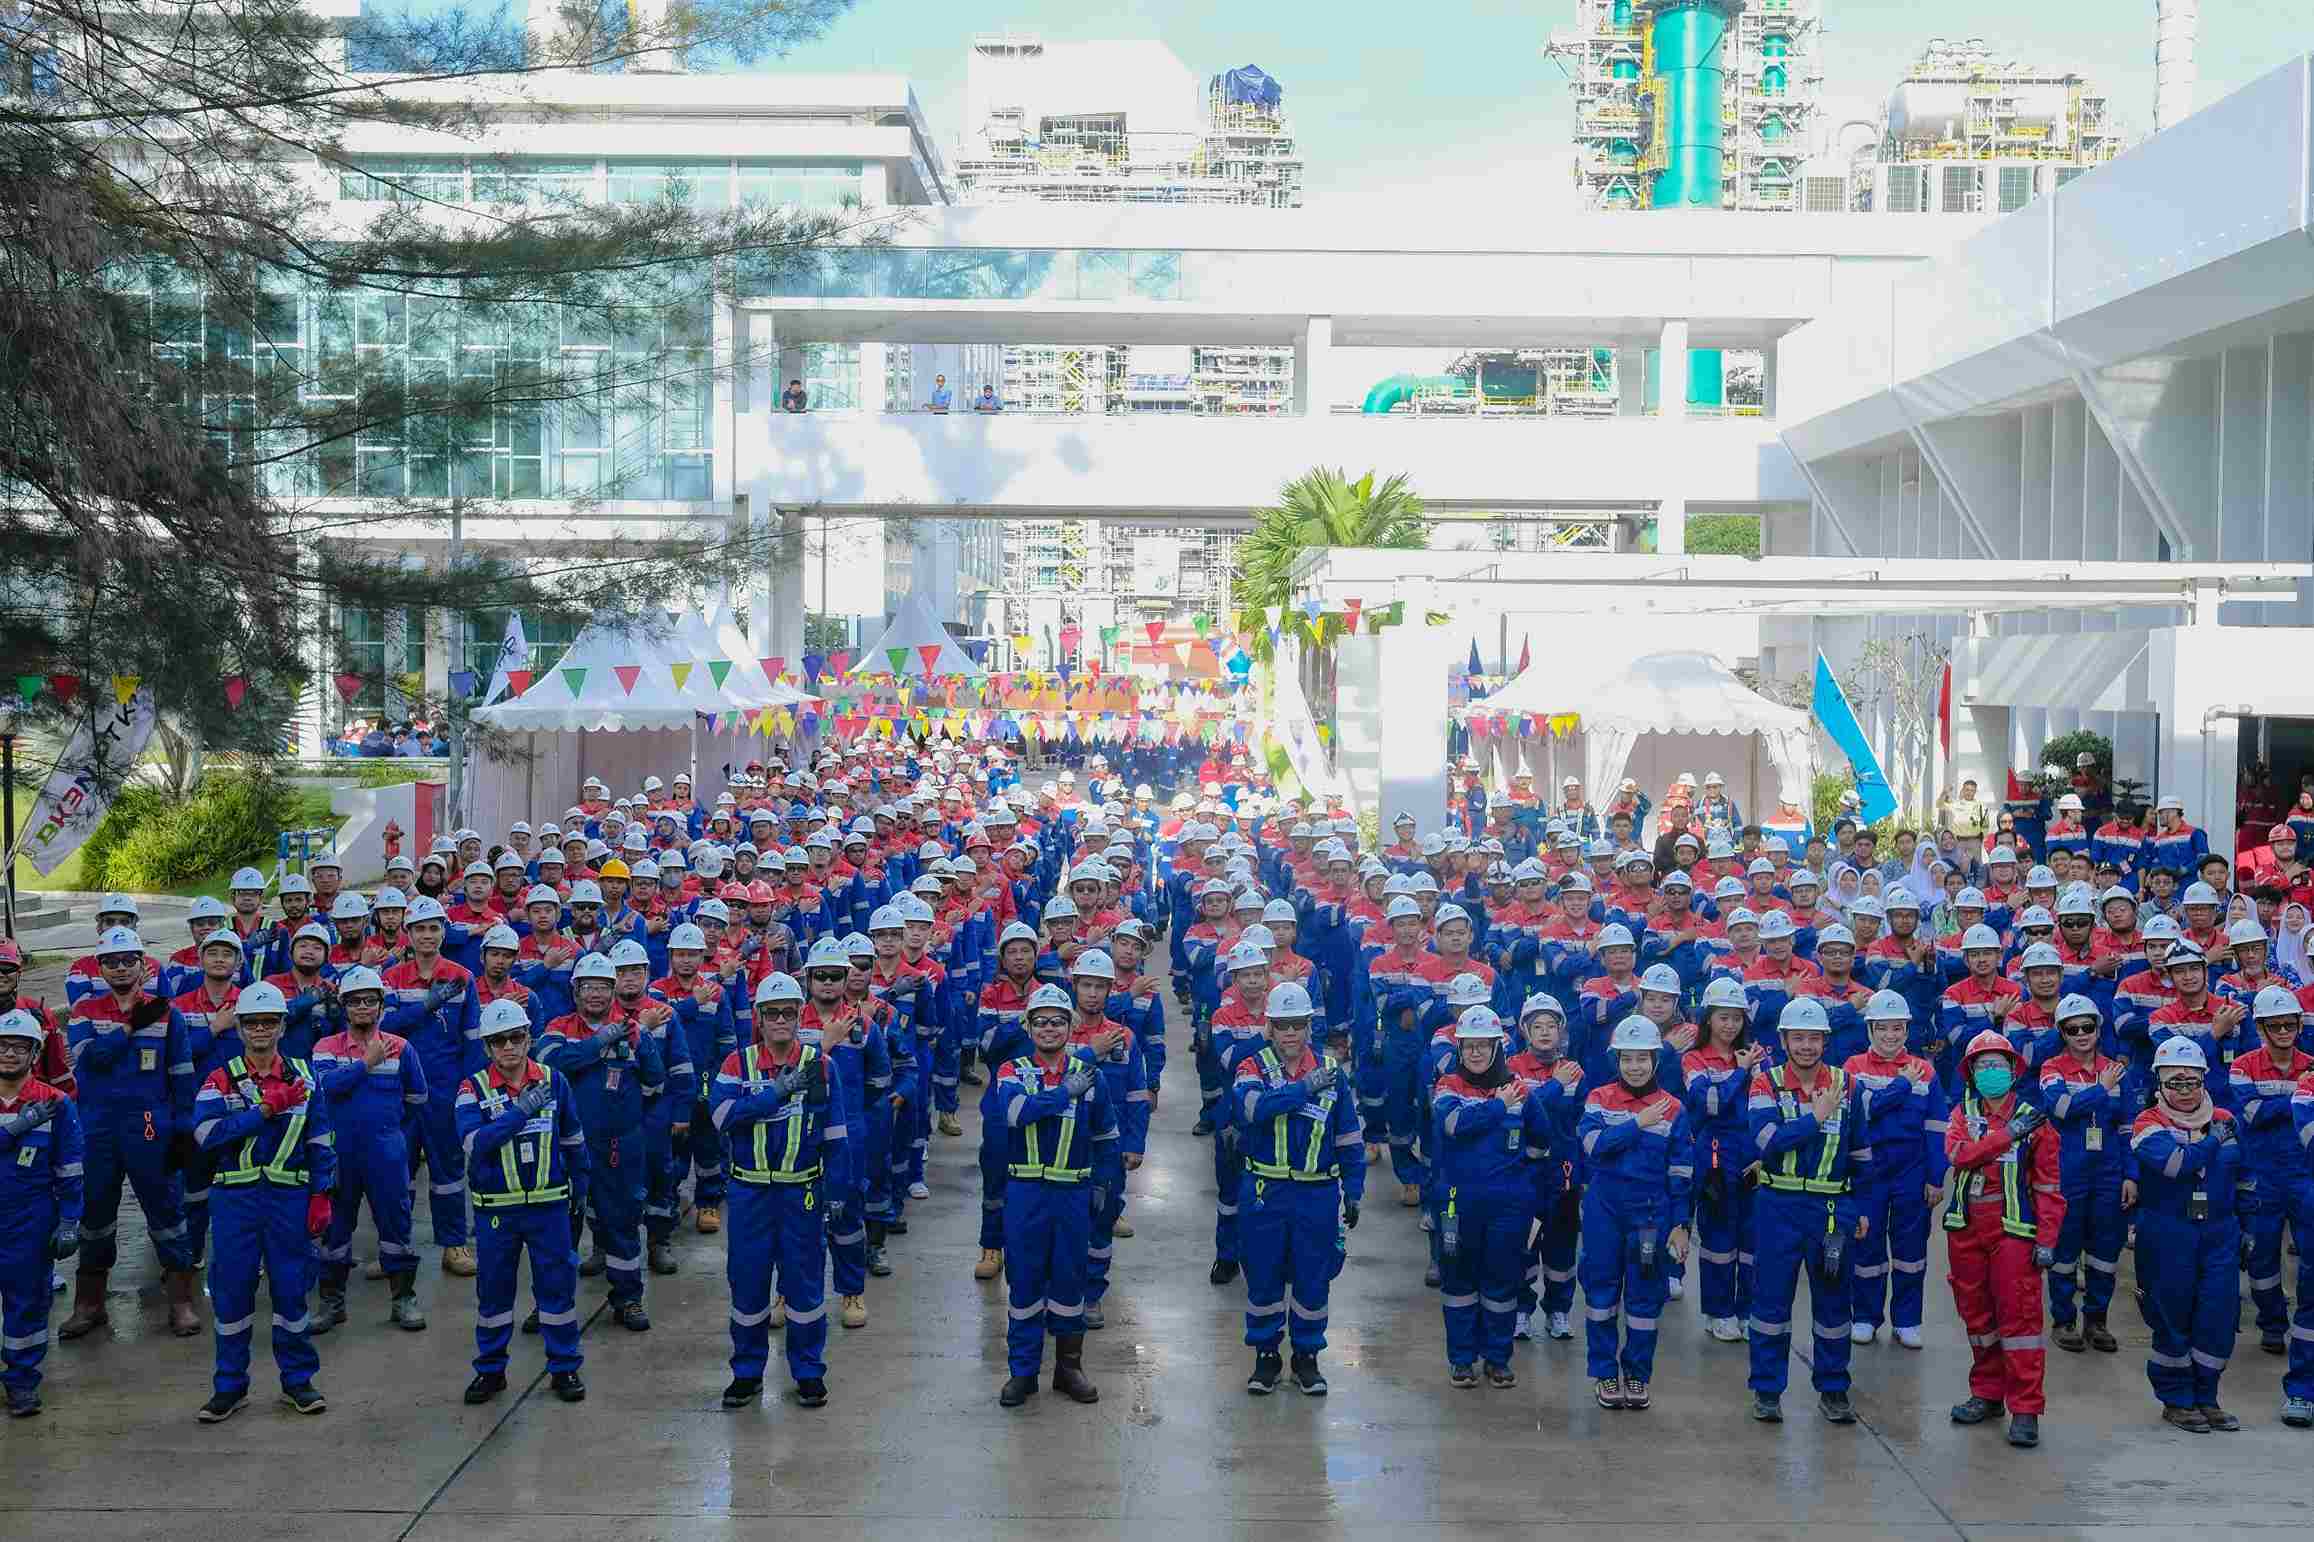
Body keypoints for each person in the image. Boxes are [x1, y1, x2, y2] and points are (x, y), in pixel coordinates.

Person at [190, 981, 334, 1421]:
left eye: (268, 1022)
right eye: (251, 1022)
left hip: (289, 1198)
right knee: (233, 1291)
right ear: (240, 1028)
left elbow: (322, 1139)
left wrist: (321, 1195)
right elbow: (204, 1136)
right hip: (235, 1198)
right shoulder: (221, 1078)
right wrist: (263, 1111)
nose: (260, 1030)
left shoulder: (306, 1078)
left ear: (282, 1026)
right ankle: (229, 1387)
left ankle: (297, 1381)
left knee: (292, 1289)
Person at [62, 925, 201, 1340]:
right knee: (96, 1214)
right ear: (100, 968)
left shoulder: (168, 1013)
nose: (121, 968)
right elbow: (90, 1062)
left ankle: (180, 1301)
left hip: (149, 1126)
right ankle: (90, 1304)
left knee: (166, 1211)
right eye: (112, 962)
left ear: (144, 965)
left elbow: (182, 1077)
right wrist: (127, 1028)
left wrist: (182, 1131)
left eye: (129, 961)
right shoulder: (86, 1011)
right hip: (98, 1127)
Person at [712, 972, 840, 1410]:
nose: (781, 1020)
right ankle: (746, 1373)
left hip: (801, 1196)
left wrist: (837, 1194)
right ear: (760, 1020)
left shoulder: (822, 1065)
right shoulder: (736, 1065)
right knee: (747, 1286)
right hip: (750, 1197)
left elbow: (834, 1134)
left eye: (789, 1012)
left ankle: (808, 1372)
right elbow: (723, 1117)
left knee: (803, 1289)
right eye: (773, 1013)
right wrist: (778, 1091)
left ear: (799, 1014)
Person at [990, 983, 1121, 1408]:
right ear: (1028, 1026)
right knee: (1024, 1282)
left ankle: (1069, 1369)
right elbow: (1015, 1113)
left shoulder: (1093, 1079)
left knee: (1069, 1281)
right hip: (1026, 1193)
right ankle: (1023, 1373)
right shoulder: (1012, 1072)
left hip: (1073, 1195)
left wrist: (1104, 1185)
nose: (1049, 1029)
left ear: (1071, 1027)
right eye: (1041, 1021)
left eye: (1058, 1022)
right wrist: (1066, 1092)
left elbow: (1106, 1137)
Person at [1233, 980, 1364, 1397]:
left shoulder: (1332, 1071)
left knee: (1313, 1278)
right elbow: (1251, 1109)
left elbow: (1347, 1136)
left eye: (1298, 1025)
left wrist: (1355, 1189)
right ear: (1269, 1026)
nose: (1290, 1033)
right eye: (1283, 1025)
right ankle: (1266, 1357)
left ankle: (1307, 1357)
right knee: (1263, 1276)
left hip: (1317, 1196)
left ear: (1309, 1026)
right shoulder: (1251, 1066)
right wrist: (1302, 1089)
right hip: (1264, 1192)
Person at [457, 999, 589, 1406]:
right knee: (494, 1295)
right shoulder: (471, 1089)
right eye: (499, 1041)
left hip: (549, 1208)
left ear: (529, 1038)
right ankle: (491, 1370)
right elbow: (474, 1144)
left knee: (557, 1289)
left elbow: (572, 1139)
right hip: (496, 1212)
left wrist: (581, 1189)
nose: (509, 1047)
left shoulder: (554, 1081)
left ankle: (564, 1366)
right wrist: (518, 1113)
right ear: (488, 1047)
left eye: (516, 1038)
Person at [1941, 1028, 2065, 1449]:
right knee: (1977, 1319)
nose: (1991, 1071)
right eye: (1983, 1064)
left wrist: (2047, 1239)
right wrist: (2008, 1134)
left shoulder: (2036, 1118)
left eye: (1998, 1063)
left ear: (2013, 1069)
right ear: (1971, 1073)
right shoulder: (1962, 1114)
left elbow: (2049, 1187)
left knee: (2020, 1322)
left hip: (2013, 1230)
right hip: (1966, 1227)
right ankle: (1988, 1393)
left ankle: (2026, 1409)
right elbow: (1960, 1156)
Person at [1745, 995, 1863, 1425]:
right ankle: (1767, 1390)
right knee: (1771, 1302)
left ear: (1826, 1041)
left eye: (1814, 1038)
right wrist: (1814, 1118)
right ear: (1783, 1040)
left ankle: (1834, 1388)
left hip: (1831, 1210)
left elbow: (1862, 1152)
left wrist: (1859, 1208)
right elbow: (1766, 1142)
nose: (1807, 1046)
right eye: (1799, 1038)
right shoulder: (1765, 1084)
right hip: (1778, 1206)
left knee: (1834, 1304)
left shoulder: (1848, 1086)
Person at [2129, 1037, 2248, 1432]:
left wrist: (2246, 1227)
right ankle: (2177, 1400)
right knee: (2171, 1313)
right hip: (2167, 1232)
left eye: (2191, 1082)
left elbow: (2244, 1176)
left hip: (2220, 1231)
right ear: (2159, 1085)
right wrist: (2213, 1139)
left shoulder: (2227, 1118)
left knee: (2218, 1313)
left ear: (2204, 1081)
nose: (2184, 1090)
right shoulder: (2148, 1123)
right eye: (2174, 1082)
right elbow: (2176, 1164)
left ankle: (2206, 1396)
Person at [1578, 1017, 1693, 1410]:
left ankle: (1637, 1375)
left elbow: (1681, 1171)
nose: (1635, 1067)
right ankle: (1605, 1372)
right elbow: (1594, 1145)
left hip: (1651, 1214)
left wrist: (1681, 1224)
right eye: (1628, 1059)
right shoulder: (1598, 1098)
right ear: (1617, 1060)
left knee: (1645, 1299)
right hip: (1604, 1209)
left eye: (1642, 1058)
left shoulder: (1675, 1109)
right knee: (1601, 1292)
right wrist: (1637, 1123)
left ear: (1655, 1060)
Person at [541, 952, 659, 1332]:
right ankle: (551, 1303)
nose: (595, 994)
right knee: (560, 1229)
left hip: (617, 1146)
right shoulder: (559, 1027)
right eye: (588, 986)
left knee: (621, 1222)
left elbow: (654, 1083)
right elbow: (550, 1064)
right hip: (564, 1147)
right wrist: (600, 1043)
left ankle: (627, 1297)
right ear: (574, 990)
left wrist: (644, 1042)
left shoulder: (632, 1031)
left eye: (603, 986)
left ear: (613, 991)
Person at [311, 966, 429, 1332]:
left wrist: (390, 1134)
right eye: (355, 1001)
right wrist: (366, 1064)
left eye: (370, 1000)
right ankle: (332, 1304)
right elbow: (324, 1089)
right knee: (334, 1230)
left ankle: (403, 1300)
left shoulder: (403, 1048)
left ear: (381, 1006)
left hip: (386, 1152)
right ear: (343, 1006)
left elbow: (417, 1099)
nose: (363, 1007)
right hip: (339, 1154)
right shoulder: (325, 1048)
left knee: (397, 1225)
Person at [1429, 1006, 1539, 1390]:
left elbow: (1542, 1140)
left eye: (1483, 1046)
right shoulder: (1448, 1085)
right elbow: (1453, 1125)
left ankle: (1497, 1358)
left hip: (1508, 1206)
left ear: (1498, 1047)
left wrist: (1523, 1182)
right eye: (1468, 1046)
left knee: (1501, 1282)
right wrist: (1499, 1106)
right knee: (1458, 1282)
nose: (1475, 1053)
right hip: (1459, 1202)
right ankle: (1461, 1359)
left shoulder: (1520, 1090)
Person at [1845, 989, 1947, 1350]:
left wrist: (1936, 1178)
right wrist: (1903, 1083)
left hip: (1912, 1171)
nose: (1891, 1035)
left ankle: (1907, 1320)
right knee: (1866, 1247)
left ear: (1907, 1031)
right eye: (1883, 1028)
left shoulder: (1928, 1071)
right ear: (1870, 1029)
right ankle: (1865, 1317)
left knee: (1910, 1250)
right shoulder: (1853, 1068)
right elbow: (1864, 1109)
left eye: (1898, 1028)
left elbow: (1936, 1127)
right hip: (1868, 1172)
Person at [0, 1008, 83, 1418]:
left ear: (35, 1054)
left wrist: (70, 1219)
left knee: (28, 1304)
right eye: (3, 1046)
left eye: (20, 1047)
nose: (10, 1054)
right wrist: (11, 1130)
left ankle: (21, 1383)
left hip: (29, 1219)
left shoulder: (56, 1104)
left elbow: (70, 1168)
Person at [2038, 995, 2129, 1355]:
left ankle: (2097, 1320)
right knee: (2064, 1250)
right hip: (2066, 1171)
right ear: (2062, 1032)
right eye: (2072, 1029)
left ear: (2097, 1028)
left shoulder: (2116, 1070)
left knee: (2105, 1252)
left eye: (2087, 1027)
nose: (2081, 1034)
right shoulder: (2052, 1069)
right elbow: (2061, 1109)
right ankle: (2064, 1320)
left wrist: (2131, 1175)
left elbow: (2126, 1127)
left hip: (2109, 1173)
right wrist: (2100, 1089)